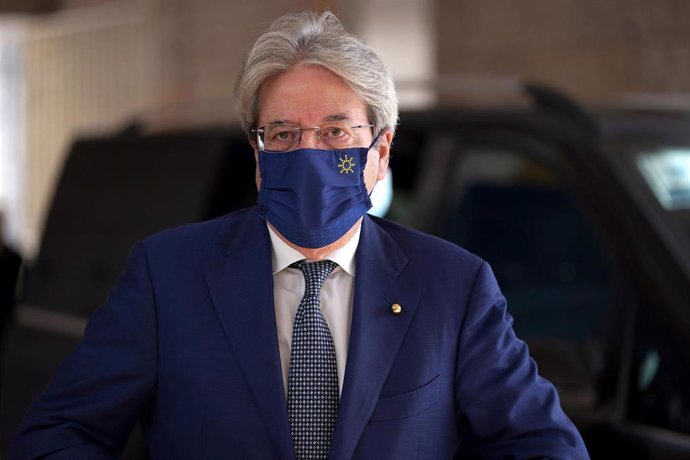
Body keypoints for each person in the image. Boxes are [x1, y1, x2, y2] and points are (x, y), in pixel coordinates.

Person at [12, 11, 589, 459]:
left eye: (337, 133)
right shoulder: (168, 277)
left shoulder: (453, 286)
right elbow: (58, 433)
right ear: (258, 155)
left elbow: (542, 445)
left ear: (380, 152)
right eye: (284, 135)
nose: (309, 155)